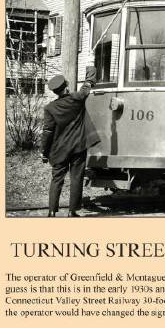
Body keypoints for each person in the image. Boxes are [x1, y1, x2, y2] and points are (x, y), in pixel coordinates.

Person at [41, 66, 97, 217]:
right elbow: (88, 85)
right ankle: (72, 211)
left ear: (54, 91)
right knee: (76, 178)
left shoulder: (50, 108)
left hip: (59, 150)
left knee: (56, 179)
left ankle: (52, 212)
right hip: (78, 147)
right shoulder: (77, 99)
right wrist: (91, 67)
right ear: (66, 86)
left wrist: (44, 153)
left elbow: (47, 132)